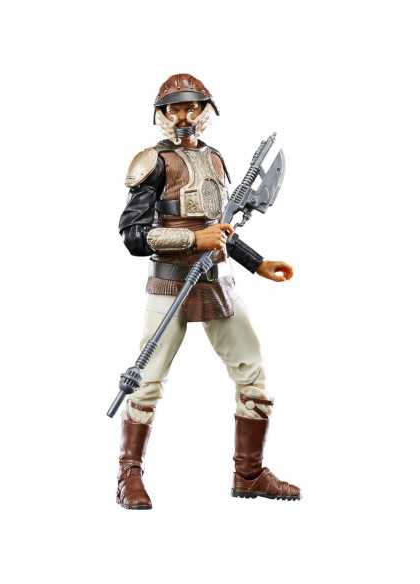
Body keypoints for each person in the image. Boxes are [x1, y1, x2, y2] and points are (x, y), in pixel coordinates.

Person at [116, 73, 300, 510]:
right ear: (162, 115)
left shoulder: (215, 160)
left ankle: (249, 474)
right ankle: (129, 474)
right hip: (169, 283)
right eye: (175, 108)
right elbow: (133, 236)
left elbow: (220, 230)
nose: (184, 116)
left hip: (216, 281)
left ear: (205, 112)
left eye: (192, 107)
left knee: (251, 372)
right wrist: (191, 240)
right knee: (146, 380)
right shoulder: (153, 162)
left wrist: (256, 262)